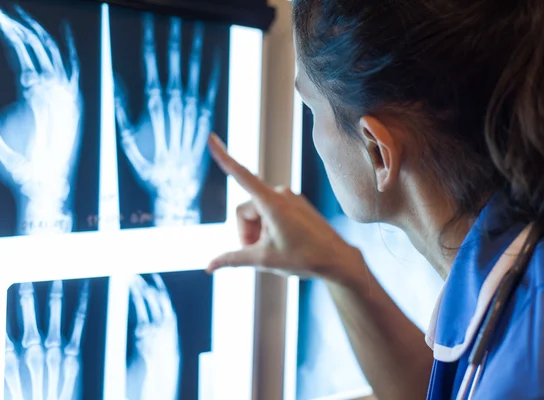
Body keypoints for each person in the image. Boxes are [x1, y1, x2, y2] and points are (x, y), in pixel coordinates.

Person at [205, 0, 544, 399]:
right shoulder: (519, 269)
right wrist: (341, 267)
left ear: (378, 151)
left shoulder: (521, 370)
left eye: (310, 107)